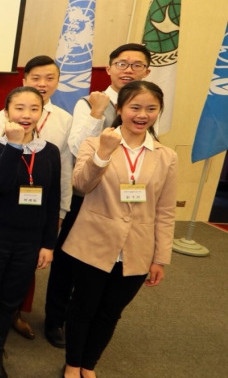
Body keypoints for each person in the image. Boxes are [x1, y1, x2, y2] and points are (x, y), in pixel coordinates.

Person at [62, 81, 175, 378]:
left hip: (137, 249)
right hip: (93, 242)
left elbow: (165, 210)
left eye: (151, 109)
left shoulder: (166, 156)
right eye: (135, 107)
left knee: (111, 312)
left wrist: (160, 257)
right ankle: (72, 363)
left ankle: (89, 364)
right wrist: (103, 153)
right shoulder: (95, 143)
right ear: (120, 109)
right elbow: (81, 184)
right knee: (82, 308)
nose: (142, 115)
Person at [45, 43, 152, 348]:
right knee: (68, 261)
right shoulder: (90, 102)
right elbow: (78, 147)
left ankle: (85, 316)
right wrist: (96, 112)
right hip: (86, 193)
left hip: (123, 200)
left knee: (106, 261)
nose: (128, 70)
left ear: (147, 71)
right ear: (109, 69)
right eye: (122, 64)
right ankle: (55, 320)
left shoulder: (147, 105)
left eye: (136, 65)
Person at [0, 87, 59, 378]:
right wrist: (14, 145)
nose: (26, 115)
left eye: (34, 108)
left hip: (28, 241)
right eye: (19, 108)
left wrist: (48, 244)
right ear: (6, 112)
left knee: (9, 299)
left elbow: (52, 199)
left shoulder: (50, 152)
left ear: (41, 113)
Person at [0, 56, 73, 342]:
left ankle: (14, 313)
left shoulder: (64, 119)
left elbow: (64, 171)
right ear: (24, 79)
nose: (43, 83)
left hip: (40, 207)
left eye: (49, 78)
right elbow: (1, 166)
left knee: (25, 269)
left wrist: (61, 210)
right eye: (36, 78)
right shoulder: (5, 115)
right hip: (7, 205)